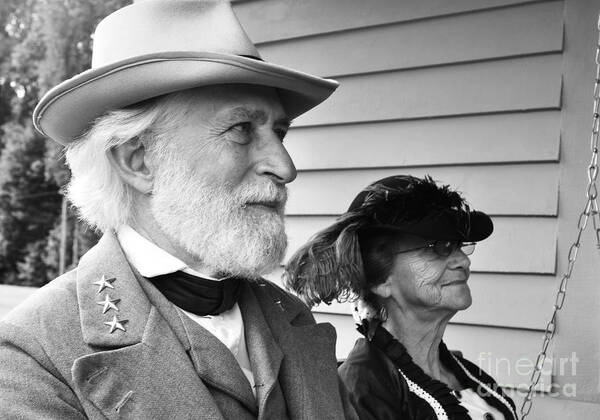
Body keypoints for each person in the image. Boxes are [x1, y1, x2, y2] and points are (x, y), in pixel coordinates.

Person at [0, 1, 357, 419]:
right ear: (138, 161)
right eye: (241, 129)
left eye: (279, 132)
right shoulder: (33, 354)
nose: (285, 167)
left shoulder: (294, 318)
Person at [285, 175, 519, 420]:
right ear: (381, 281)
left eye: (460, 245)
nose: (464, 261)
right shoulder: (364, 389)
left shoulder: (466, 374)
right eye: (438, 247)